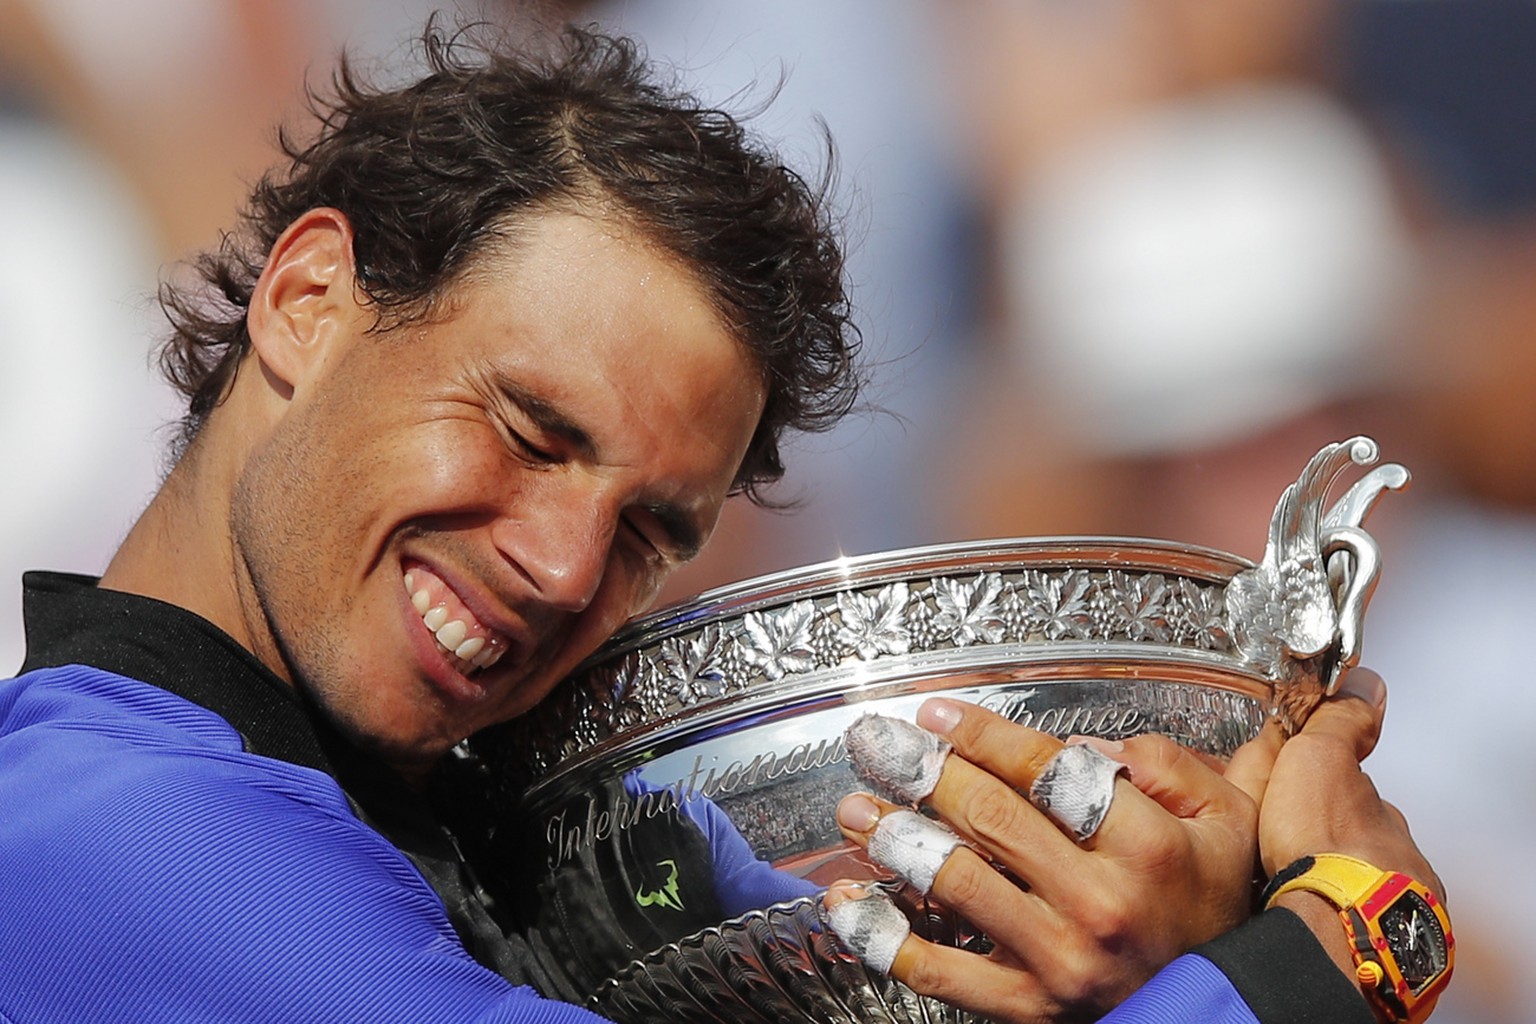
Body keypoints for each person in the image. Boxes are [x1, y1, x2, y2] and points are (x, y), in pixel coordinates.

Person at [0, 19, 1446, 1024]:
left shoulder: (532, 835)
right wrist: (1343, 945)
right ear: (309, 304)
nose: (565, 568)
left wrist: (1159, 912)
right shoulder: (93, 833)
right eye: (527, 430)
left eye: (647, 532)